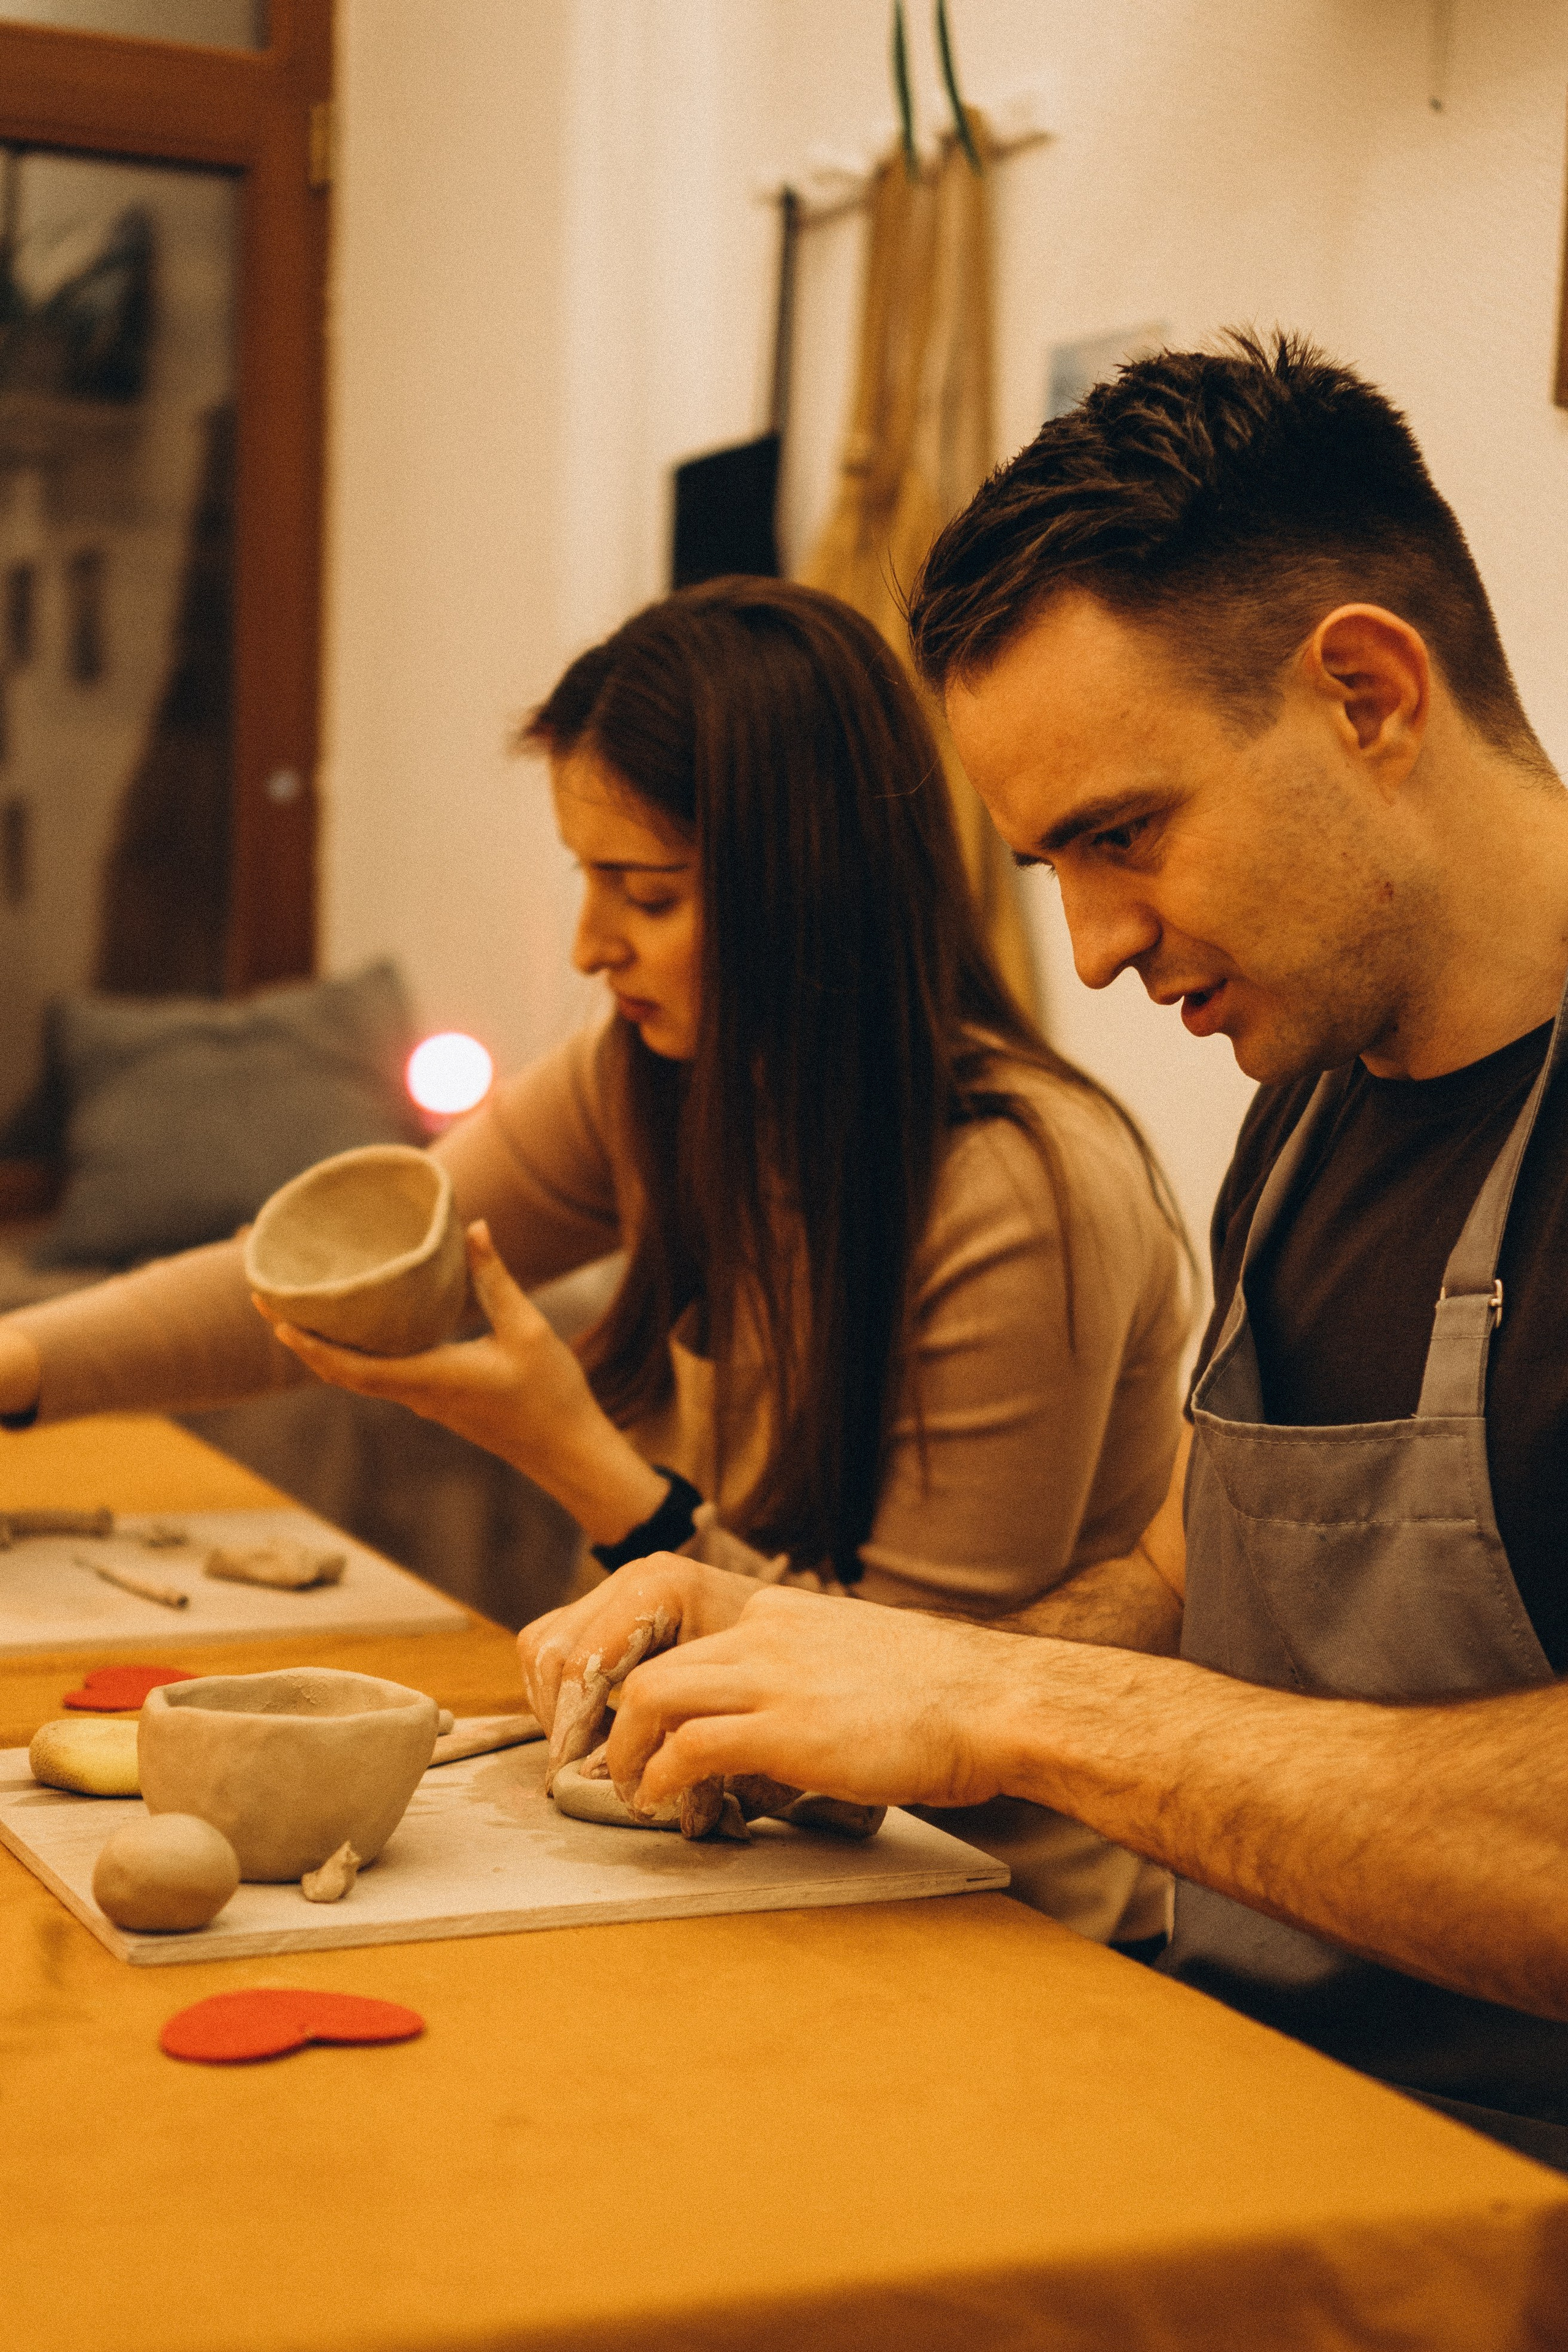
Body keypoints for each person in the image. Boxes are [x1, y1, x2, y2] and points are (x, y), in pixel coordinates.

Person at [557, 338, 1568, 2172]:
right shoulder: (1316, 1101)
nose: (1094, 949)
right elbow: (1183, 1578)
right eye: (1052, 871)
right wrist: (827, 1668)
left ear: (1367, 692)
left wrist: (1010, 1705)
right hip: (1241, 2101)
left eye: (1126, 834)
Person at [0, 578, 1190, 1942]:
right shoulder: (661, 1077)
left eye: (646, 893)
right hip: (733, 1847)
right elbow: (310, 1275)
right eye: (587, 880)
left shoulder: (1019, 1189)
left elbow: (905, 1715)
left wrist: (569, 1448)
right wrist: (20, 1361)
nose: (589, 945)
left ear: (805, 893)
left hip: (995, 1915)